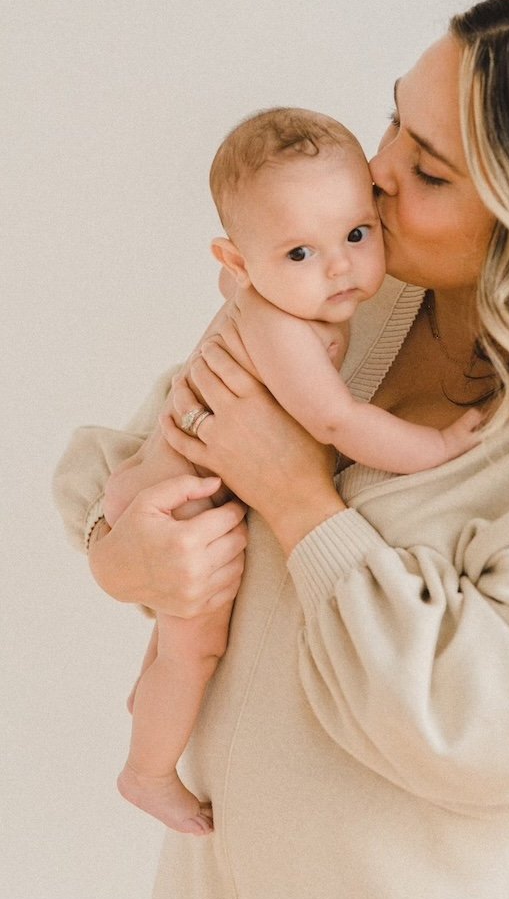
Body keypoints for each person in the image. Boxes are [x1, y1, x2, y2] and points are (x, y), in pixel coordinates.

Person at [54, 0, 509, 899]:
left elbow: (478, 733)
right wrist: (124, 556)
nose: (376, 171)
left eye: (429, 173)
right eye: (394, 118)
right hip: (215, 876)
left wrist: (300, 498)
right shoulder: (345, 294)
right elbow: (149, 450)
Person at [104, 107, 483, 837]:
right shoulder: (281, 327)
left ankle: (149, 699)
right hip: (180, 502)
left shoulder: (282, 296)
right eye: (300, 255)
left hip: (166, 474)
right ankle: (147, 771)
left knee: (175, 651)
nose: (340, 267)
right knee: (195, 649)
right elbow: (337, 422)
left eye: (355, 234)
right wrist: (433, 449)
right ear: (238, 265)